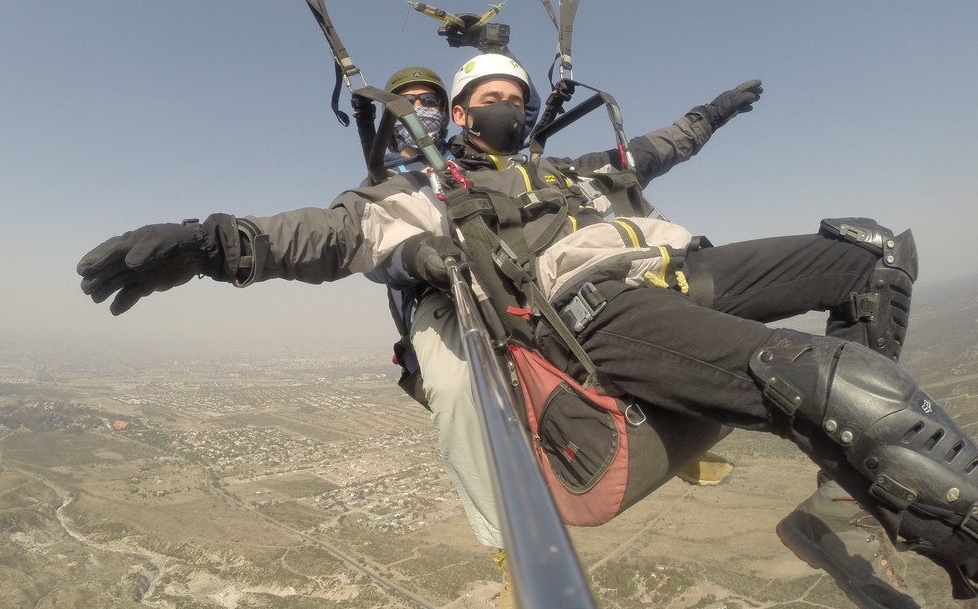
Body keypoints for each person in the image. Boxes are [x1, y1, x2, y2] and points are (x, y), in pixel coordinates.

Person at [77, 54, 977, 603]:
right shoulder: (423, 192)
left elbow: (654, 149)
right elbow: (318, 237)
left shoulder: (570, 166)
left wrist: (710, 115)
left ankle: (835, 494)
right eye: (492, 96)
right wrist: (205, 244)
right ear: (463, 116)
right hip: (600, 313)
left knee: (870, 252)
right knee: (844, 386)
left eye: (518, 94)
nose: (509, 103)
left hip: (681, 270)